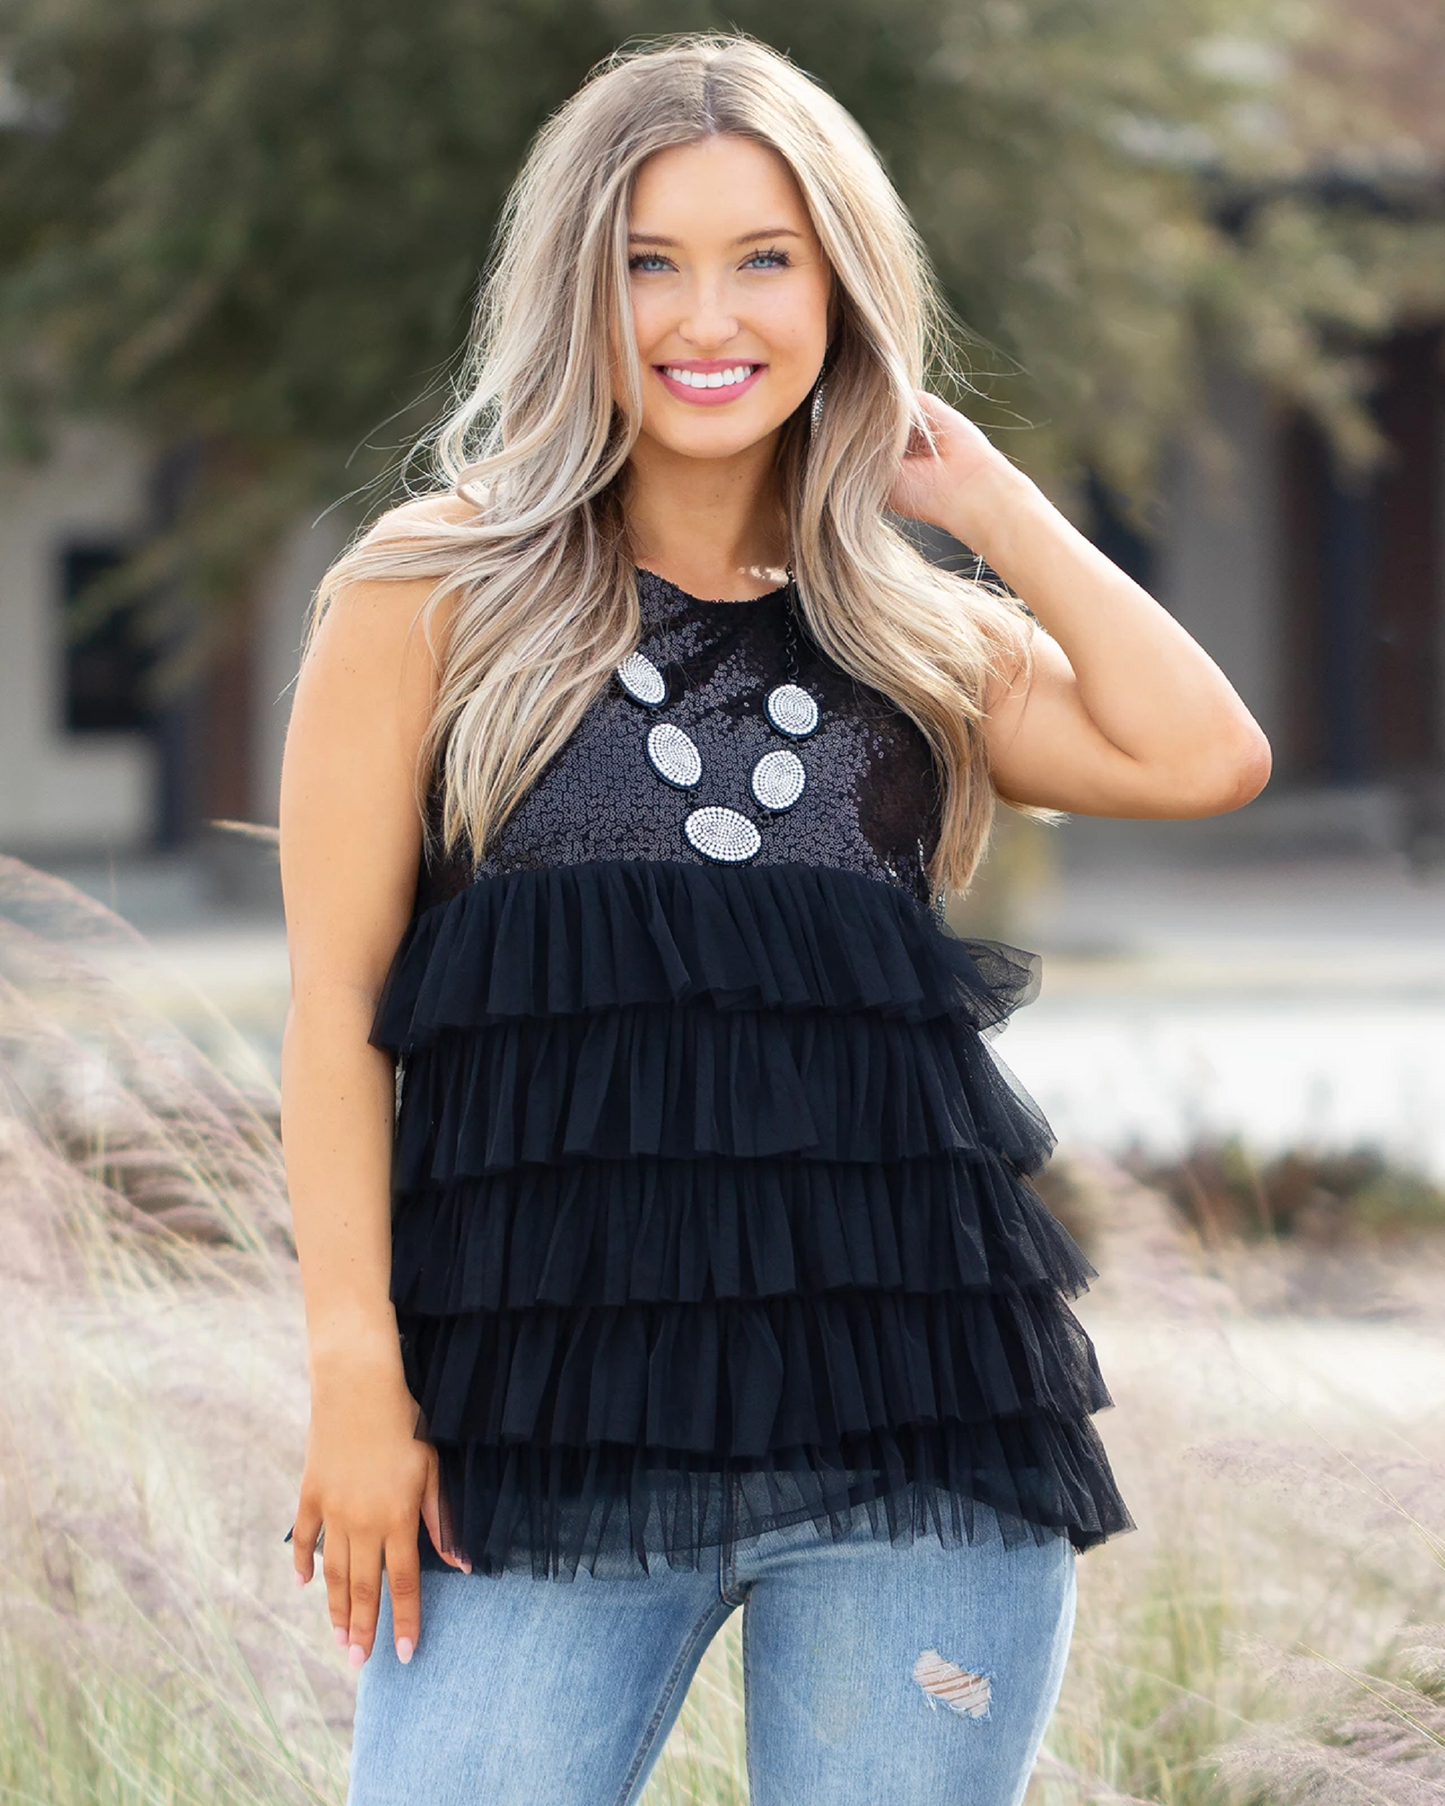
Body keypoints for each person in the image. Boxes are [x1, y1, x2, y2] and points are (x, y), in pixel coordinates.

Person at [278, 32, 1270, 1806]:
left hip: (918, 1445)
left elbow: (1206, 754)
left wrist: (987, 500)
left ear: (838, 291)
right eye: (647, 262)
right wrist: (358, 1372)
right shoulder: (430, 593)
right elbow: (336, 1008)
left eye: (765, 259)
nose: (705, 316)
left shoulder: (910, 633)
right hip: (539, 1444)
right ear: (573, 290)